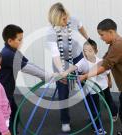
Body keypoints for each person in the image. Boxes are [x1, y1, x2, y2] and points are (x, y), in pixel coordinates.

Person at [63, 19, 122, 135]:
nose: (101, 38)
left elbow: (105, 66)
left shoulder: (118, 45)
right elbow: (104, 62)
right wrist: (67, 72)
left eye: (102, 35)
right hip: (94, 89)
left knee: (116, 105)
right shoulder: (113, 45)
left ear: (111, 32)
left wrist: (85, 75)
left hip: (102, 86)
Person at [0, 24, 53, 134]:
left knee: (14, 115)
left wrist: (47, 75)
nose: (22, 42)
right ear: (10, 41)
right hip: (2, 94)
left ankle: (13, 132)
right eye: (19, 39)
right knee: (6, 119)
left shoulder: (14, 51)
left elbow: (28, 63)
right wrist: (47, 76)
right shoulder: (8, 54)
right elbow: (26, 68)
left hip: (7, 91)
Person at [47, 2, 93, 132]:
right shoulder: (51, 32)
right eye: (63, 19)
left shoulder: (72, 20)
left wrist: (88, 39)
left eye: (66, 17)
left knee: (86, 86)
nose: (66, 20)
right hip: (60, 61)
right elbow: (56, 55)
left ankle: (93, 114)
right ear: (55, 19)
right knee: (63, 92)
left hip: (78, 56)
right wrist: (62, 71)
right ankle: (65, 121)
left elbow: (81, 27)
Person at [78, 41, 118, 134]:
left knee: (109, 100)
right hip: (92, 90)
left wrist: (110, 81)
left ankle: (114, 113)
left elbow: (107, 72)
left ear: (96, 51)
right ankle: (97, 127)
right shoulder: (83, 62)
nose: (87, 53)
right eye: (85, 51)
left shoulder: (101, 61)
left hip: (104, 86)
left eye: (90, 51)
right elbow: (76, 69)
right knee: (95, 108)